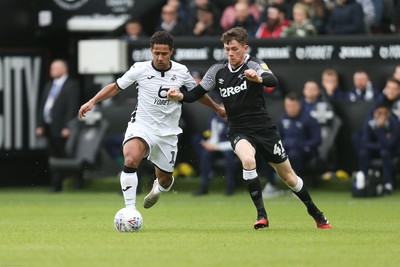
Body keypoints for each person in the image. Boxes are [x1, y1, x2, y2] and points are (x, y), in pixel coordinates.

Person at [167, 27, 331, 229]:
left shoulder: (254, 64)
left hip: (264, 130)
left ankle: (315, 212)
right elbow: (195, 94)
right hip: (238, 129)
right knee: (248, 159)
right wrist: (180, 96)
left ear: (245, 48)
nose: (230, 53)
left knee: (290, 178)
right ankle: (261, 215)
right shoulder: (217, 70)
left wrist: (258, 78)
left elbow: (273, 80)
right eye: (227, 49)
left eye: (234, 49)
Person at [78, 31, 224, 212]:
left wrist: (217, 108)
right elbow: (116, 87)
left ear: (171, 51)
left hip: (168, 133)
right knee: (131, 158)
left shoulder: (181, 71)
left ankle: (158, 187)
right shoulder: (140, 68)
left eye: (164, 53)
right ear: (151, 51)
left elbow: (197, 94)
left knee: (165, 180)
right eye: (156, 53)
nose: (160, 57)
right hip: (142, 125)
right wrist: (92, 101)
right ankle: (130, 211)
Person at [36, 59, 81, 192]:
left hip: (63, 128)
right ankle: (56, 184)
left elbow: (72, 107)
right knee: (54, 156)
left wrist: (68, 126)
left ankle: (77, 181)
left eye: (55, 68)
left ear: (63, 69)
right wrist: (40, 125)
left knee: (67, 155)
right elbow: (43, 106)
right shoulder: (50, 85)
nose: (51, 71)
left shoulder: (72, 85)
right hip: (50, 126)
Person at [357, 102, 400, 195]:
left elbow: (391, 144)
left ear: (389, 113)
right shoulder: (369, 123)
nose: (382, 115)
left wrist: (379, 128)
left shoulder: (394, 123)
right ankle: (364, 180)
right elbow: (365, 142)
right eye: (379, 113)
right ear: (374, 113)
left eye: (384, 113)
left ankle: (388, 184)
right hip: (374, 150)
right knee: (363, 153)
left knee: (385, 153)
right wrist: (381, 145)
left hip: (390, 152)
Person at [193, 111, 238, 196]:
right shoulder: (215, 119)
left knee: (229, 156)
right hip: (218, 146)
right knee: (206, 154)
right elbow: (214, 137)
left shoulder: (237, 121)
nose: (223, 115)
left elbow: (236, 142)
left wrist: (216, 147)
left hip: (232, 148)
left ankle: (230, 186)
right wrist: (209, 144)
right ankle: (204, 185)